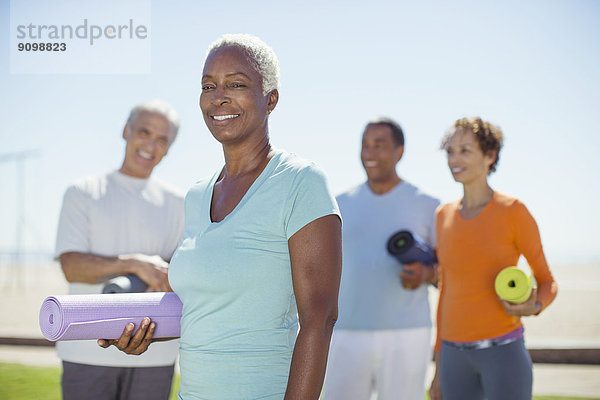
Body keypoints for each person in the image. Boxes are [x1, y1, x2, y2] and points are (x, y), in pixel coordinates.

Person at [99, 34, 342, 400]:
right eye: (208, 86)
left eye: (237, 84)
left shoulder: (301, 182)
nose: (218, 97)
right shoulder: (197, 195)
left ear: (270, 99)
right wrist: (140, 331)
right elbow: (207, 308)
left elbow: (320, 320)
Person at [55, 99, 184, 400]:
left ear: (168, 148)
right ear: (126, 131)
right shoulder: (83, 192)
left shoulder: (180, 203)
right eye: (144, 132)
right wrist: (133, 264)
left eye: (162, 140)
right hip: (86, 352)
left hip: (157, 355)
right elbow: (72, 267)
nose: (150, 145)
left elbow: (181, 274)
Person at [428, 117, 558, 400]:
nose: (454, 159)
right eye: (450, 151)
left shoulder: (513, 211)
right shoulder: (442, 216)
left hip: (503, 352)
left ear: (490, 155)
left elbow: (547, 281)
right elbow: (446, 292)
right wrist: (439, 367)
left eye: (465, 150)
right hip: (453, 357)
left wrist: (532, 306)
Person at [321, 118, 440, 400]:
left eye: (379, 145)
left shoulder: (428, 205)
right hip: (345, 332)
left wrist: (426, 275)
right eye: (365, 145)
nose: (370, 153)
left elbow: (448, 271)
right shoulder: (337, 205)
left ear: (399, 152)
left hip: (408, 334)